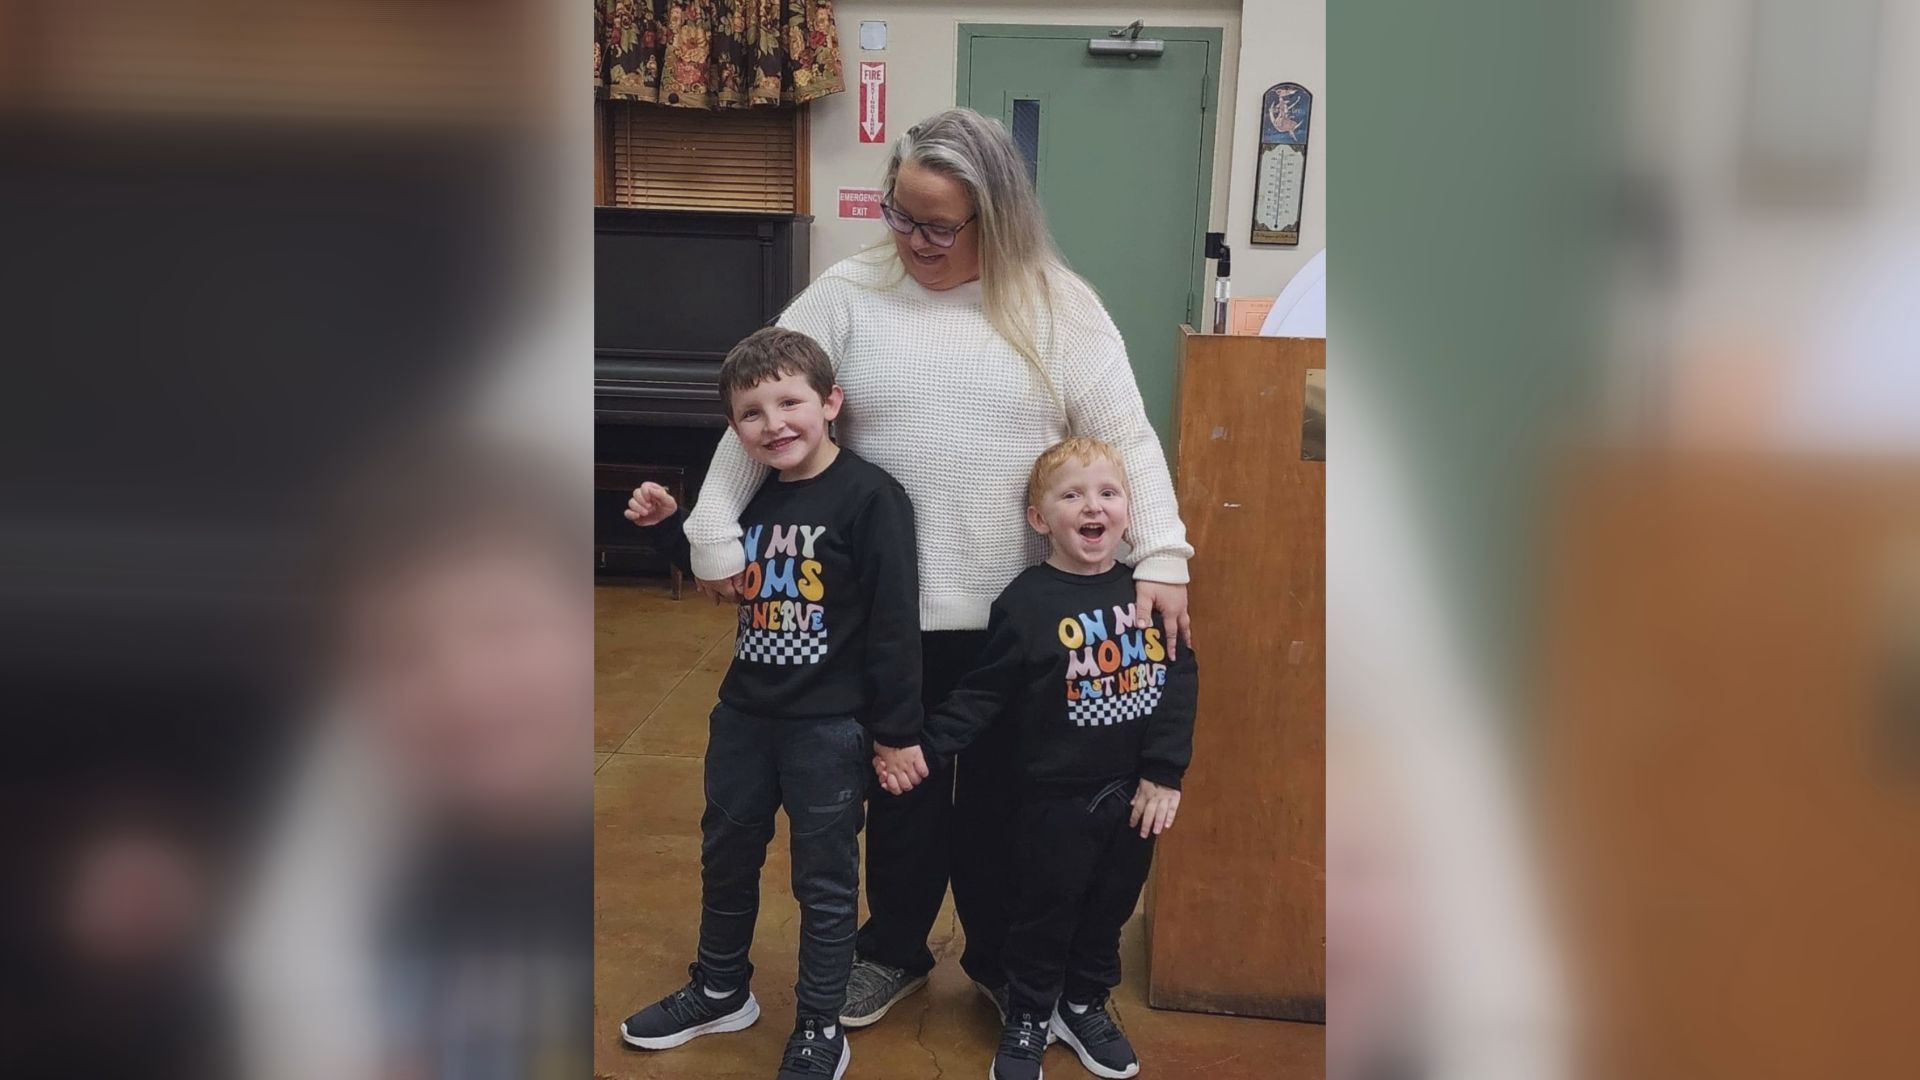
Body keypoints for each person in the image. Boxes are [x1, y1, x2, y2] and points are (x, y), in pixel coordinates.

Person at [681, 106, 1196, 1030]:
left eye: (940, 226)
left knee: (1008, 801)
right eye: (901, 215)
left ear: (995, 218)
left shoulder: (1059, 304)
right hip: (886, 617)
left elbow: (1124, 434)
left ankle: (1002, 959)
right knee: (900, 799)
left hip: (1019, 619)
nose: (915, 240)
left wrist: (1161, 551)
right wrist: (712, 526)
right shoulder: (849, 290)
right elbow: (765, 409)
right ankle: (893, 949)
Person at [620, 326, 925, 1080]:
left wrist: (895, 733)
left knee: (823, 881)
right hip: (744, 718)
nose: (773, 424)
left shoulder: (872, 497)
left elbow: (894, 626)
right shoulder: (746, 497)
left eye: (790, 403)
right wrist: (669, 530)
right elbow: (723, 581)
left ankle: (820, 1023)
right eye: (751, 413)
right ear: (734, 428)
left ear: (831, 402)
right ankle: (721, 988)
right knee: (725, 855)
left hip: (829, 729)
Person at [878, 437, 1196, 1080]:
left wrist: (1163, 773)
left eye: (1108, 493)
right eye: (1072, 495)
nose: (1093, 506)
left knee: (1110, 906)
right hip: (1052, 800)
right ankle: (1027, 1012)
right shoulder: (1025, 602)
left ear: (1129, 511)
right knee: (1044, 910)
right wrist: (924, 749)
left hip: (1133, 797)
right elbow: (983, 694)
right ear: (1039, 518)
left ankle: (1083, 1003)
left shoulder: (1147, 595)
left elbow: (1178, 685)